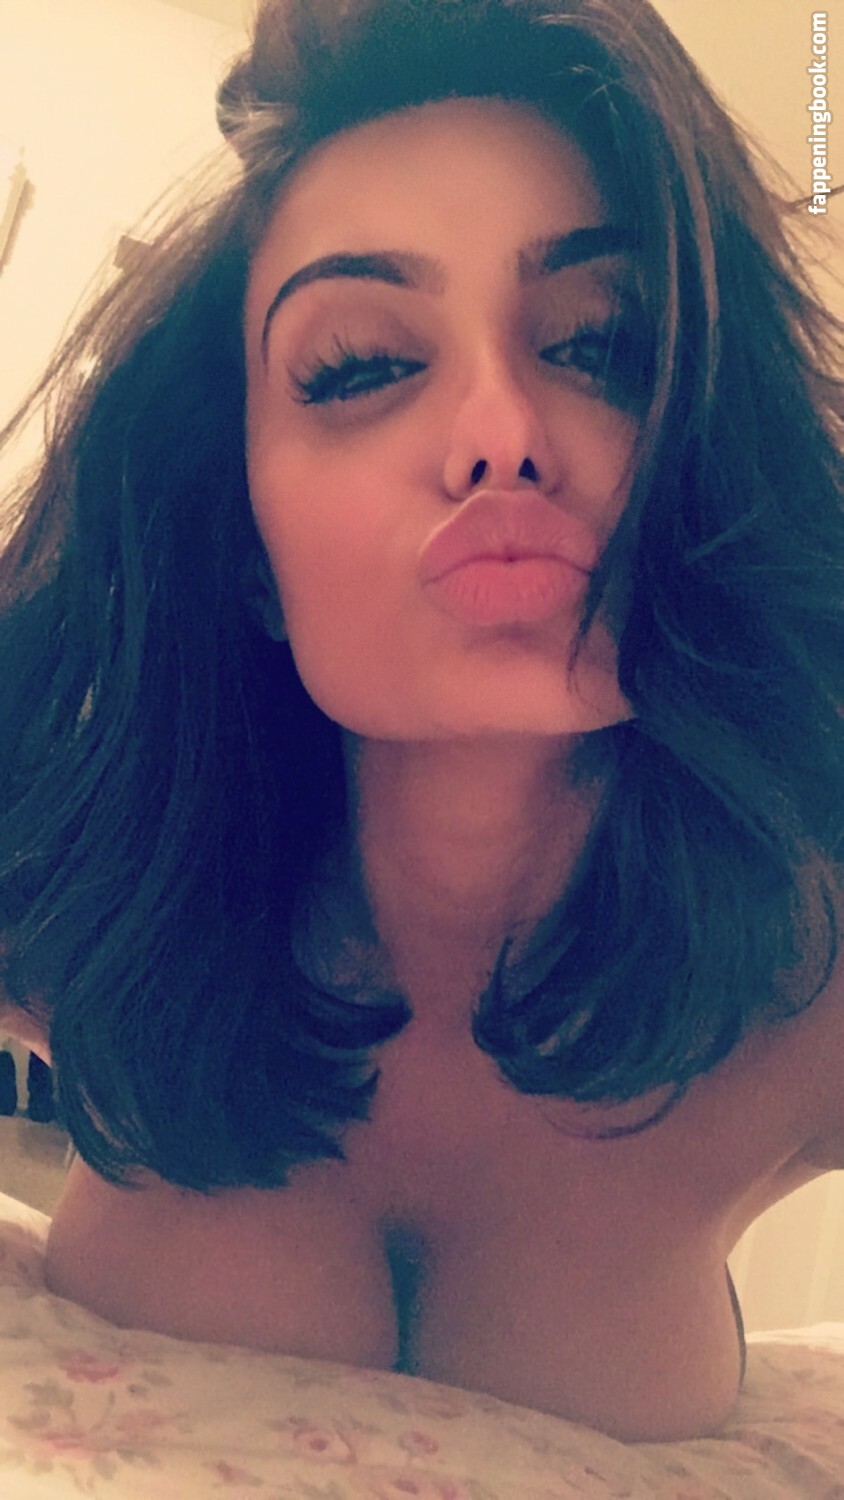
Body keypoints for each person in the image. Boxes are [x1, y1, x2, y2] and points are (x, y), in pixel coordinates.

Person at [0, 0, 842, 1445]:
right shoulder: (81, 896)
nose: (500, 431)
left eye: (600, 345)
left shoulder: (806, 994)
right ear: (244, 547)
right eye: (361, 367)